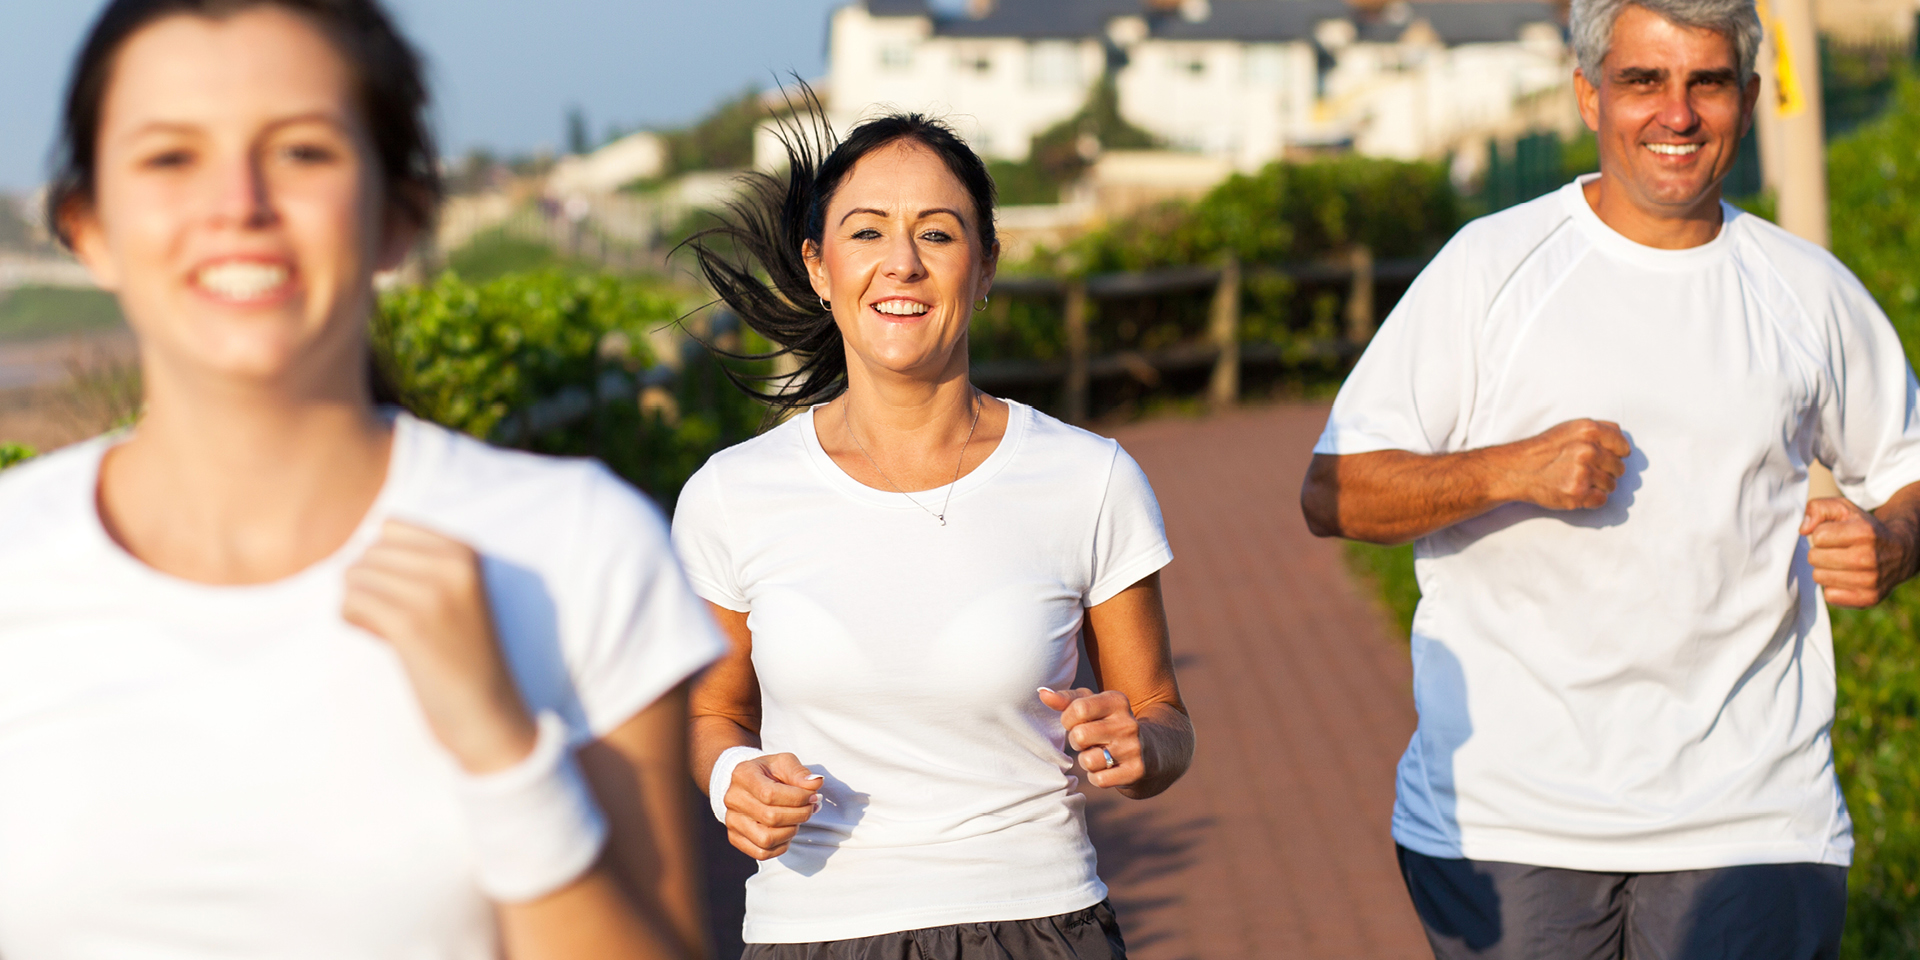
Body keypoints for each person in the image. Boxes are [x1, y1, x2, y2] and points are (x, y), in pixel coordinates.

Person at [0, 2, 724, 957]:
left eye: (302, 152)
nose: (239, 204)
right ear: (86, 226)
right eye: (170, 157)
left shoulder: (570, 546)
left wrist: (506, 756)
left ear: (401, 216)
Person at [1299, 0, 1920, 955]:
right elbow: (1333, 492)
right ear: (1590, 95)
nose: (1677, 114)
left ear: (1748, 101)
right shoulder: (1491, 269)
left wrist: (1893, 540)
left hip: (1753, 815)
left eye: (1706, 82)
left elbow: (1909, 466)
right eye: (1644, 81)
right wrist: (1509, 469)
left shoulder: (1807, 291)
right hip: (1511, 822)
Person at [670, 106, 1195, 959]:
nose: (901, 264)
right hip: (812, 933)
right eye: (867, 231)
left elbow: (1163, 715)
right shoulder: (732, 494)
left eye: (939, 235)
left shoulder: (1087, 477)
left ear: (985, 266)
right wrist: (734, 776)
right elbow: (713, 711)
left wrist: (1141, 746)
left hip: (1039, 926)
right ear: (820, 267)